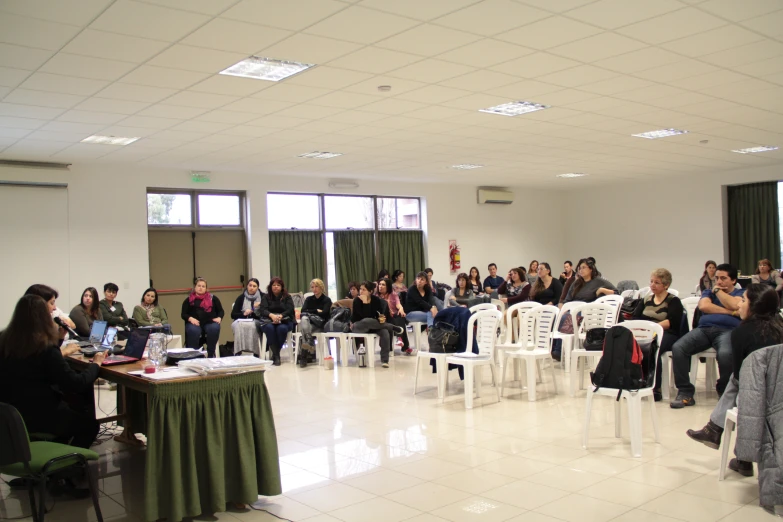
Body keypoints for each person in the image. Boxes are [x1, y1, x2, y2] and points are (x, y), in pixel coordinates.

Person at [686, 284, 783, 477]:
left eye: (744, 300)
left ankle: (715, 429)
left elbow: (741, 378)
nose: (738, 304)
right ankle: (728, 445)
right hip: (779, 394)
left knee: (737, 381)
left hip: (757, 400)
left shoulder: (741, 333)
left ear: (755, 306)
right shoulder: (780, 327)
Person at [0, 295, 104, 451]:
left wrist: (59, 340)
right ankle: (66, 467)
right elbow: (76, 383)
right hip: (39, 414)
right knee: (89, 425)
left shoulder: (4, 340)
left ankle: (54, 457)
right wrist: (96, 364)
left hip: (10, 414)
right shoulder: (44, 347)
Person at [670, 263, 743, 408]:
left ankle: (724, 391)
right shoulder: (707, 293)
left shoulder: (741, 293)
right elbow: (704, 306)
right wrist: (729, 311)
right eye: (717, 278)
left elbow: (736, 305)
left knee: (725, 354)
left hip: (727, 331)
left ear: (733, 280)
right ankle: (685, 392)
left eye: (723, 278)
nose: (719, 281)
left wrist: (718, 292)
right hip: (703, 330)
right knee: (678, 347)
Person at [631, 269, 685, 401]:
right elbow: (636, 317)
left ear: (666, 285)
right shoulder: (646, 300)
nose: (652, 285)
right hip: (646, 333)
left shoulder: (673, 301)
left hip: (667, 334)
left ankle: (655, 387)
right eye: (651, 282)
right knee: (630, 345)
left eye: (657, 282)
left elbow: (672, 322)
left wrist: (653, 328)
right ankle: (634, 382)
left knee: (653, 348)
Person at [351, 281, 398, 368]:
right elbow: (361, 317)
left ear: (370, 291)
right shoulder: (357, 300)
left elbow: (376, 315)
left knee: (385, 332)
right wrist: (365, 303)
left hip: (373, 325)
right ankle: (391, 326)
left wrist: (381, 317)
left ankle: (385, 360)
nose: (361, 291)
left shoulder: (376, 300)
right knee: (366, 320)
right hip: (358, 326)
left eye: (364, 290)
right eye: (360, 289)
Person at [181, 278, 224, 358]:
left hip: (209, 322)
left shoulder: (213, 299)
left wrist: (219, 317)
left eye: (203, 286)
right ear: (195, 287)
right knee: (193, 330)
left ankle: (211, 353)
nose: (201, 288)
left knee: (214, 328)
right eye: (199, 286)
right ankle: (194, 354)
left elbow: (221, 311)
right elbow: (183, 314)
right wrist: (190, 318)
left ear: (206, 288)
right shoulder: (189, 300)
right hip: (194, 323)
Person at [259, 277, 294, 366]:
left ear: (282, 287)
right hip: (268, 320)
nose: (276, 287)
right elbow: (263, 310)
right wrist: (272, 316)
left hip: (284, 320)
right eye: (274, 285)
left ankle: (275, 354)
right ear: (270, 286)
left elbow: (290, 310)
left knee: (281, 329)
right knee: (270, 328)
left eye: (278, 285)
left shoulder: (287, 297)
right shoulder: (265, 297)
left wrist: (280, 316)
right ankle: (277, 356)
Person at [298, 278, 332, 367]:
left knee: (304, 329)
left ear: (321, 287)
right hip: (309, 324)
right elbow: (303, 311)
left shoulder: (326, 300)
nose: (314, 289)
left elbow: (325, 313)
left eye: (316, 286)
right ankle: (308, 343)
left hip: (320, 324)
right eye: (312, 287)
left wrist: (311, 311)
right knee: (304, 318)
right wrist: (317, 310)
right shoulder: (309, 299)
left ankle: (304, 356)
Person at [376, 278, 410, 355]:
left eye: (383, 285)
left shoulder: (393, 294)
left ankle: (399, 338)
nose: (380, 286)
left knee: (400, 316)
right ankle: (404, 344)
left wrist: (401, 309)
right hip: (383, 317)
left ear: (388, 286)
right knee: (397, 319)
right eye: (380, 284)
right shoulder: (376, 297)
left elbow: (398, 304)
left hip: (394, 317)